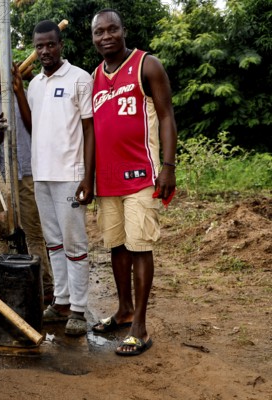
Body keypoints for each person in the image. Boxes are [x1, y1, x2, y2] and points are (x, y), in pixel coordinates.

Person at [90, 9, 177, 356]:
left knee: (140, 245)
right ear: (93, 38)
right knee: (117, 246)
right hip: (106, 182)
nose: (106, 36)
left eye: (112, 29)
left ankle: (139, 326)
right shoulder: (94, 76)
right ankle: (124, 310)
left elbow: (167, 115)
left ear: (123, 31)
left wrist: (168, 166)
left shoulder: (146, 65)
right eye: (99, 32)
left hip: (142, 175)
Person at [0, 52, 54, 304]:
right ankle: (4, 283)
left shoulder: (20, 95)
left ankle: (45, 286)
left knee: (33, 231)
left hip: (27, 173)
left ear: (1, 67)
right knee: (2, 232)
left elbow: (38, 127)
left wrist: (18, 88)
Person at [24, 20, 95, 337]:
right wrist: (15, 87)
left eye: (50, 44)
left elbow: (90, 129)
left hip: (70, 174)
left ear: (60, 44)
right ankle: (62, 301)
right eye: (39, 46)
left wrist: (87, 176)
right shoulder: (34, 84)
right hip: (43, 176)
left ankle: (79, 308)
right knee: (54, 242)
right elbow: (31, 123)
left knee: (74, 243)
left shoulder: (80, 78)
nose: (45, 51)